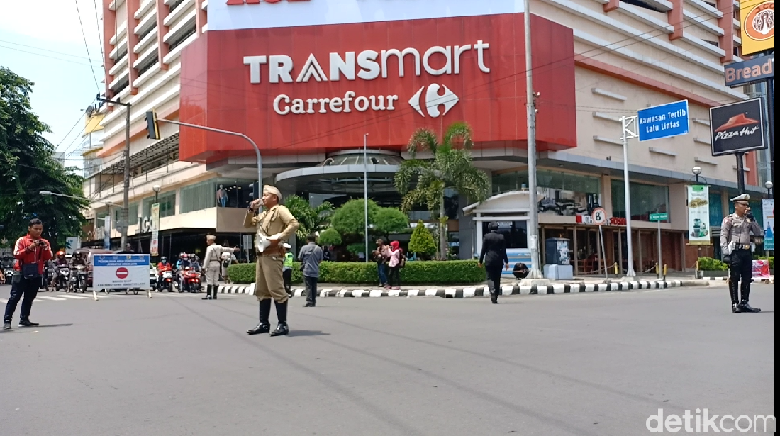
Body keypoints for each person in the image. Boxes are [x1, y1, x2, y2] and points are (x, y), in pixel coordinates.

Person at [244, 185, 299, 337]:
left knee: (276, 289)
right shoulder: (264, 214)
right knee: (262, 290)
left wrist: (279, 237)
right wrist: (251, 209)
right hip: (261, 256)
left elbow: (294, 224)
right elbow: (247, 224)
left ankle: (282, 324)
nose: (263, 197)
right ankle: (264, 323)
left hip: (273, 255)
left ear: (274, 197)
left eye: (266, 195)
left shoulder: (280, 210)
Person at [4, 218, 52, 330]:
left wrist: (44, 248)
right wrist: (30, 248)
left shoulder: (45, 242)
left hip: (36, 273)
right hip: (20, 272)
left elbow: (48, 257)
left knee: (29, 298)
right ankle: (7, 321)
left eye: (40, 229)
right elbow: (16, 254)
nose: (38, 231)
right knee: (15, 297)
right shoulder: (22, 240)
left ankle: (24, 319)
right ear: (29, 228)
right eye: (35, 229)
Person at [720, 194, 763, 313]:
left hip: (747, 251)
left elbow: (758, 232)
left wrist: (753, 220)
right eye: (743, 205)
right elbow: (723, 236)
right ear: (736, 206)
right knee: (734, 278)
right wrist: (725, 253)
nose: (746, 207)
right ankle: (735, 303)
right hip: (735, 252)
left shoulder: (749, 219)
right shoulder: (729, 219)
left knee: (747, 278)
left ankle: (745, 302)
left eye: (747, 205)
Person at [479, 222, 509, 304]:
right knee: (497, 278)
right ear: (497, 228)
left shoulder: (486, 237)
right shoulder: (501, 237)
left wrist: (480, 261)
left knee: (490, 277)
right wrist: (506, 261)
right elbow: (503, 251)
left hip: (489, 260)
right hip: (499, 260)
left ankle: (492, 290)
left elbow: (483, 250)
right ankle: (495, 295)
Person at [202, 235, 237, 300]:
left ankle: (209, 295)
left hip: (211, 264)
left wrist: (204, 267)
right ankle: (215, 295)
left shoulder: (209, 248)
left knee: (209, 279)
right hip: (217, 264)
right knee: (216, 279)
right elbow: (226, 249)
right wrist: (233, 249)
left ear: (210, 241)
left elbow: (207, 258)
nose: (206, 242)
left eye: (207, 240)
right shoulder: (219, 247)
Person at [298, 234, 323, 307]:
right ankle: (314, 301)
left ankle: (309, 301)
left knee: (308, 286)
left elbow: (300, 258)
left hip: (307, 270)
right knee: (314, 286)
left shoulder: (304, 248)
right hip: (315, 270)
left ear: (307, 240)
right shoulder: (319, 248)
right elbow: (320, 260)